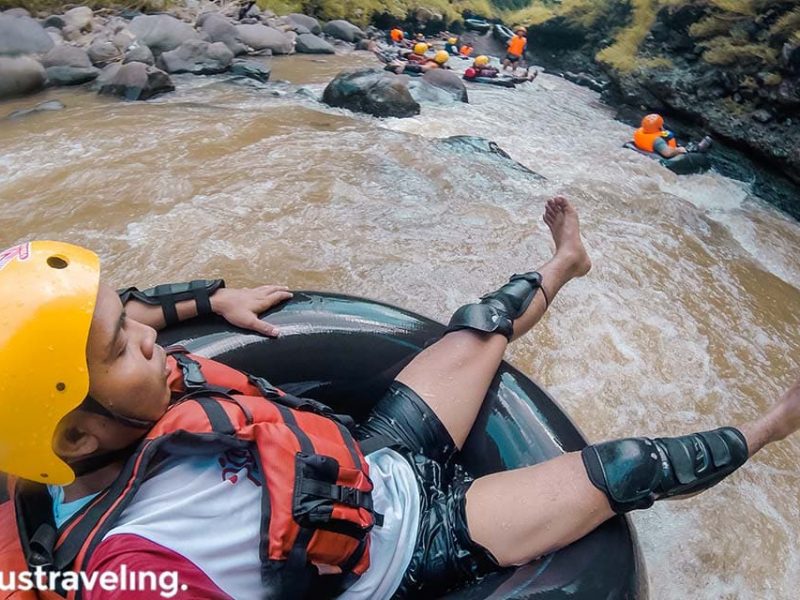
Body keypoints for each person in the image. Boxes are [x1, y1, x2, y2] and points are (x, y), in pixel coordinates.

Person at [2, 197, 799, 600]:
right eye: (122, 346)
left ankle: (566, 262)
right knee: (626, 466)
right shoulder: (135, 566)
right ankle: (775, 423)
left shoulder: (102, 410)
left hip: (368, 459)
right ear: (73, 436)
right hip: (415, 541)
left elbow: (127, 307)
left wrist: (211, 299)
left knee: (481, 325)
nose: (148, 341)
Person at [633, 114, 712, 159]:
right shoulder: (657, 141)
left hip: (649, 148)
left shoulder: (641, 130)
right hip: (661, 152)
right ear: (659, 127)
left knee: (672, 137)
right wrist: (679, 150)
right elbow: (667, 153)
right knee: (685, 148)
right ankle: (698, 148)